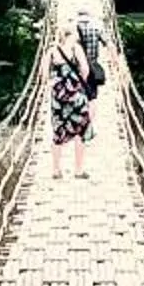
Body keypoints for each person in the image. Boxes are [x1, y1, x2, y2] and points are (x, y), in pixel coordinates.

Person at [48, 33, 94, 178]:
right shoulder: (76, 48)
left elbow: (43, 74)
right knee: (80, 130)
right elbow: (85, 69)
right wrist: (78, 84)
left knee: (58, 131)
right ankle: (78, 170)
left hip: (58, 98)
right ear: (71, 35)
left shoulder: (51, 50)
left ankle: (56, 170)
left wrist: (55, 86)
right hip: (75, 95)